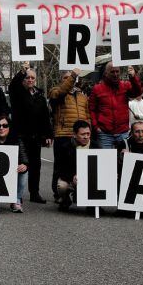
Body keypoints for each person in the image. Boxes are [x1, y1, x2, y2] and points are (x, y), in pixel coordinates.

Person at [9, 65, 53, 204]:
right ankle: (16, 194)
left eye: (32, 77)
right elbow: (13, 85)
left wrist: (48, 135)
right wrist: (22, 71)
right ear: (23, 79)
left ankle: (34, 193)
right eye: (27, 77)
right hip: (21, 135)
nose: (30, 79)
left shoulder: (40, 95)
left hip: (36, 136)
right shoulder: (18, 92)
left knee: (36, 165)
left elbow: (45, 117)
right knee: (21, 165)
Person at [48, 68, 90, 202]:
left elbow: (87, 116)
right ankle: (59, 194)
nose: (69, 80)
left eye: (70, 78)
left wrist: (89, 133)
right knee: (60, 165)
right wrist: (73, 75)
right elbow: (61, 91)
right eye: (66, 78)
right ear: (62, 80)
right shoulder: (56, 91)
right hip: (63, 134)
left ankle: (79, 192)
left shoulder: (82, 96)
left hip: (80, 136)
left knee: (81, 165)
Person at [89, 62, 142, 149]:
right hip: (104, 133)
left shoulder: (125, 85)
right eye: (112, 72)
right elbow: (92, 109)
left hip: (122, 132)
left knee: (124, 160)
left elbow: (137, 93)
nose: (115, 74)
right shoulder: (97, 88)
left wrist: (133, 77)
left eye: (117, 71)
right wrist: (96, 126)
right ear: (106, 73)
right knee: (105, 160)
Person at [0, 117, 29, 213]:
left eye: (5, 125)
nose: (1, 128)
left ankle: (16, 200)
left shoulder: (16, 139)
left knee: (24, 171)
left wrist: (24, 165)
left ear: (9, 127)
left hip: (10, 171)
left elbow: (24, 157)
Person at [53, 119, 93, 211]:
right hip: (71, 179)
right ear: (74, 135)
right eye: (83, 134)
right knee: (61, 185)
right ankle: (65, 200)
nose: (86, 137)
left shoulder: (96, 147)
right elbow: (59, 169)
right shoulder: (65, 147)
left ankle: (93, 205)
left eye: (88, 134)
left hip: (91, 180)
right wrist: (72, 177)